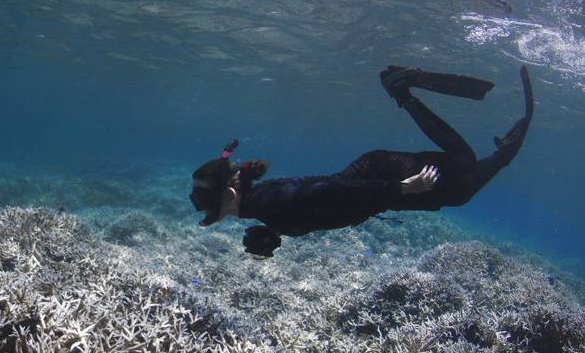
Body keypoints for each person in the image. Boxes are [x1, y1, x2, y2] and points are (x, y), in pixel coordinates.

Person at [189, 65, 534, 257]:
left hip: (377, 179)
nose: (202, 207)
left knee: (462, 170)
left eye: (205, 201)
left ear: (229, 195)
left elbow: (331, 191)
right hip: (373, 184)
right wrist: (271, 234)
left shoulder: (267, 203)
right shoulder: (259, 203)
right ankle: (503, 153)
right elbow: (305, 206)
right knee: (461, 188)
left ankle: (402, 91)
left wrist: (403, 187)